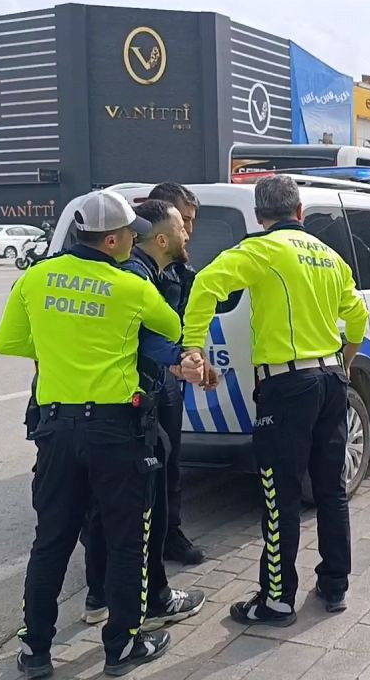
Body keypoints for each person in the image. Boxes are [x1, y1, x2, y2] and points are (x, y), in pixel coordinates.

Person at [0, 191, 181, 678]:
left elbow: (9, 341)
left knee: (50, 542)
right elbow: (170, 327)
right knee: (125, 541)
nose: (134, 242)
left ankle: (35, 651)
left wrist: (59, 344)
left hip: (55, 429)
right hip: (115, 432)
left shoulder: (35, 278)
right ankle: (121, 647)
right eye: (131, 235)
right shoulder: (129, 287)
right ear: (115, 238)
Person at [179, 175, 370, 627]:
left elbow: (205, 285)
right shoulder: (329, 256)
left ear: (261, 217)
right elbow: (358, 313)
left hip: (288, 389)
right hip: (331, 382)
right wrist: (347, 356)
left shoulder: (261, 249)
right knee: (330, 490)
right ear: (300, 212)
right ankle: (335, 584)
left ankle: (278, 599)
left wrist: (193, 347)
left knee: (278, 495)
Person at [79, 200, 207, 632]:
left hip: (101, 406)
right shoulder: (136, 278)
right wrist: (184, 359)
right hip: (128, 406)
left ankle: (101, 595)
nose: (188, 233)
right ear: (162, 237)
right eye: (182, 226)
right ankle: (149, 602)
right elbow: (157, 337)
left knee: (106, 506)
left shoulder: (151, 272)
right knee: (139, 507)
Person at [146, 183, 207, 565]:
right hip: (136, 378)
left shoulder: (181, 269)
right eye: (184, 221)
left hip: (167, 378)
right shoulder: (134, 270)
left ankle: (169, 534)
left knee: (169, 461)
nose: (189, 231)